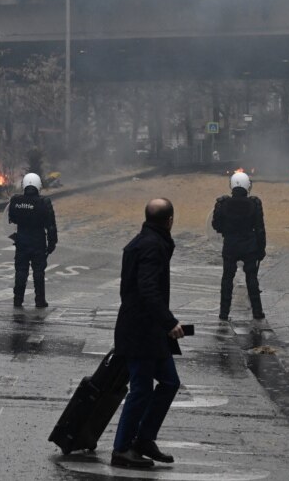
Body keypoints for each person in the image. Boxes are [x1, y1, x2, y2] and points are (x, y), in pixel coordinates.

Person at [111, 198, 184, 469]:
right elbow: (147, 290)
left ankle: (144, 439)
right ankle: (121, 450)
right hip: (140, 332)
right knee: (141, 389)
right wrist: (169, 322)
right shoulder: (151, 247)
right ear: (170, 221)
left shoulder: (145, 241)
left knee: (169, 382)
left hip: (148, 331)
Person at [213, 172, 266, 321]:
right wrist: (261, 249)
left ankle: (224, 313)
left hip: (230, 245)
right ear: (247, 185)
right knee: (252, 279)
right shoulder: (255, 203)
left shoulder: (222, 203)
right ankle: (257, 312)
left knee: (227, 279)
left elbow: (216, 225)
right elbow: (260, 229)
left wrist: (227, 229)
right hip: (250, 245)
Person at [7, 172, 57, 308]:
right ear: (38, 185)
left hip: (21, 240)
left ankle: (18, 299)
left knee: (21, 271)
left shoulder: (16, 200)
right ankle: (40, 300)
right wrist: (52, 243)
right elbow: (51, 225)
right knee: (39, 272)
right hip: (38, 241)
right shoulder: (44, 202)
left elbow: (11, 219)